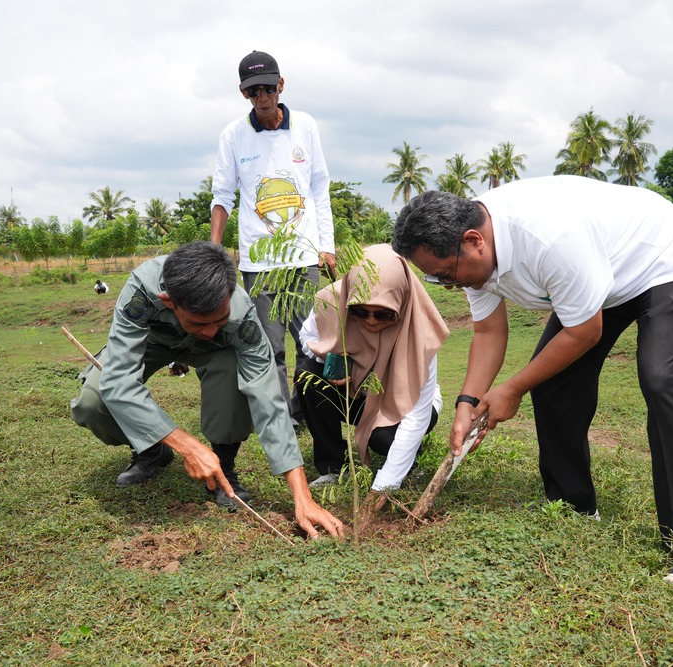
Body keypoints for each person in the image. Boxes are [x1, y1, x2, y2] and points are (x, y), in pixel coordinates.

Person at [392, 175, 673, 583]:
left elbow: (585, 332)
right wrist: (467, 403)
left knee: (661, 379)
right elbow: (489, 332)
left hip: (661, 260)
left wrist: (511, 388)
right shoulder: (470, 252)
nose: (448, 284)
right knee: (554, 384)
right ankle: (575, 507)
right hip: (598, 277)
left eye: (447, 274)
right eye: (438, 279)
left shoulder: (549, 238)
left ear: (474, 240)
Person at [70, 241, 344, 539]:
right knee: (91, 404)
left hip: (213, 353)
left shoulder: (241, 314)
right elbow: (119, 380)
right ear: (168, 301)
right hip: (150, 344)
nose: (211, 330)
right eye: (200, 322)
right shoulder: (142, 290)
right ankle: (151, 449)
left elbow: (269, 399)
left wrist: (302, 496)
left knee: (231, 366)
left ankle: (223, 465)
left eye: (220, 320)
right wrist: (186, 445)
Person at [210, 50, 336, 431]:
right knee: (271, 347)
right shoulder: (233, 135)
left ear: (281, 85)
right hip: (259, 263)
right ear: (243, 93)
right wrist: (215, 250)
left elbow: (319, 187)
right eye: (253, 92)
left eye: (267, 88)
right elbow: (222, 195)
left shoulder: (306, 126)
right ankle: (283, 420)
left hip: (303, 257)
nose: (262, 98)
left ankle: (308, 408)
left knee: (311, 341)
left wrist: (326, 245)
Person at [296, 244, 449, 518]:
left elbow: (416, 415)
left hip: (406, 402)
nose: (371, 321)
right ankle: (332, 466)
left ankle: (409, 458)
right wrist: (336, 357)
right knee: (307, 373)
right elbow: (307, 338)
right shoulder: (332, 300)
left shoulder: (419, 331)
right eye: (359, 312)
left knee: (383, 440)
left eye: (384, 314)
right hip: (356, 394)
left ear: (401, 304)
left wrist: (384, 486)